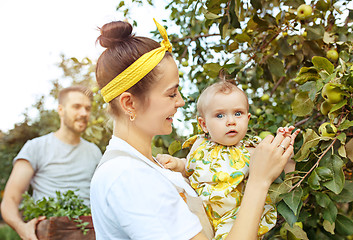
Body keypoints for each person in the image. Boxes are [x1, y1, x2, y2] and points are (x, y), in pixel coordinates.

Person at [90, 18, 297, 240]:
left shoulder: (149, 167)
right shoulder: (129, 177)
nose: (180, 101)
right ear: (129, 103)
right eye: (171, 94)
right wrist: (259, 180)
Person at [156, 80, 300, 239]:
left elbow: (276, 168)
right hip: (203, 216)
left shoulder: (252, 149)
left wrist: (282, 143)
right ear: (204, 124)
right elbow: (189, 167)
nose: (231, 121)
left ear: (248, 118)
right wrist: (177, 163)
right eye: (220, 115)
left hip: (234, 218)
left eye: (238, 113)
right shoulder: (199, 146)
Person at [1, 85, 102, 240]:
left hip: (89, 232)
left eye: (87, 108)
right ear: (60, 110)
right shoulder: (36, 147)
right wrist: (23, 228)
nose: (84, 113)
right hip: (49, 232)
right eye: (76, 107)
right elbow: (10, 199)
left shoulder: (94, 152)